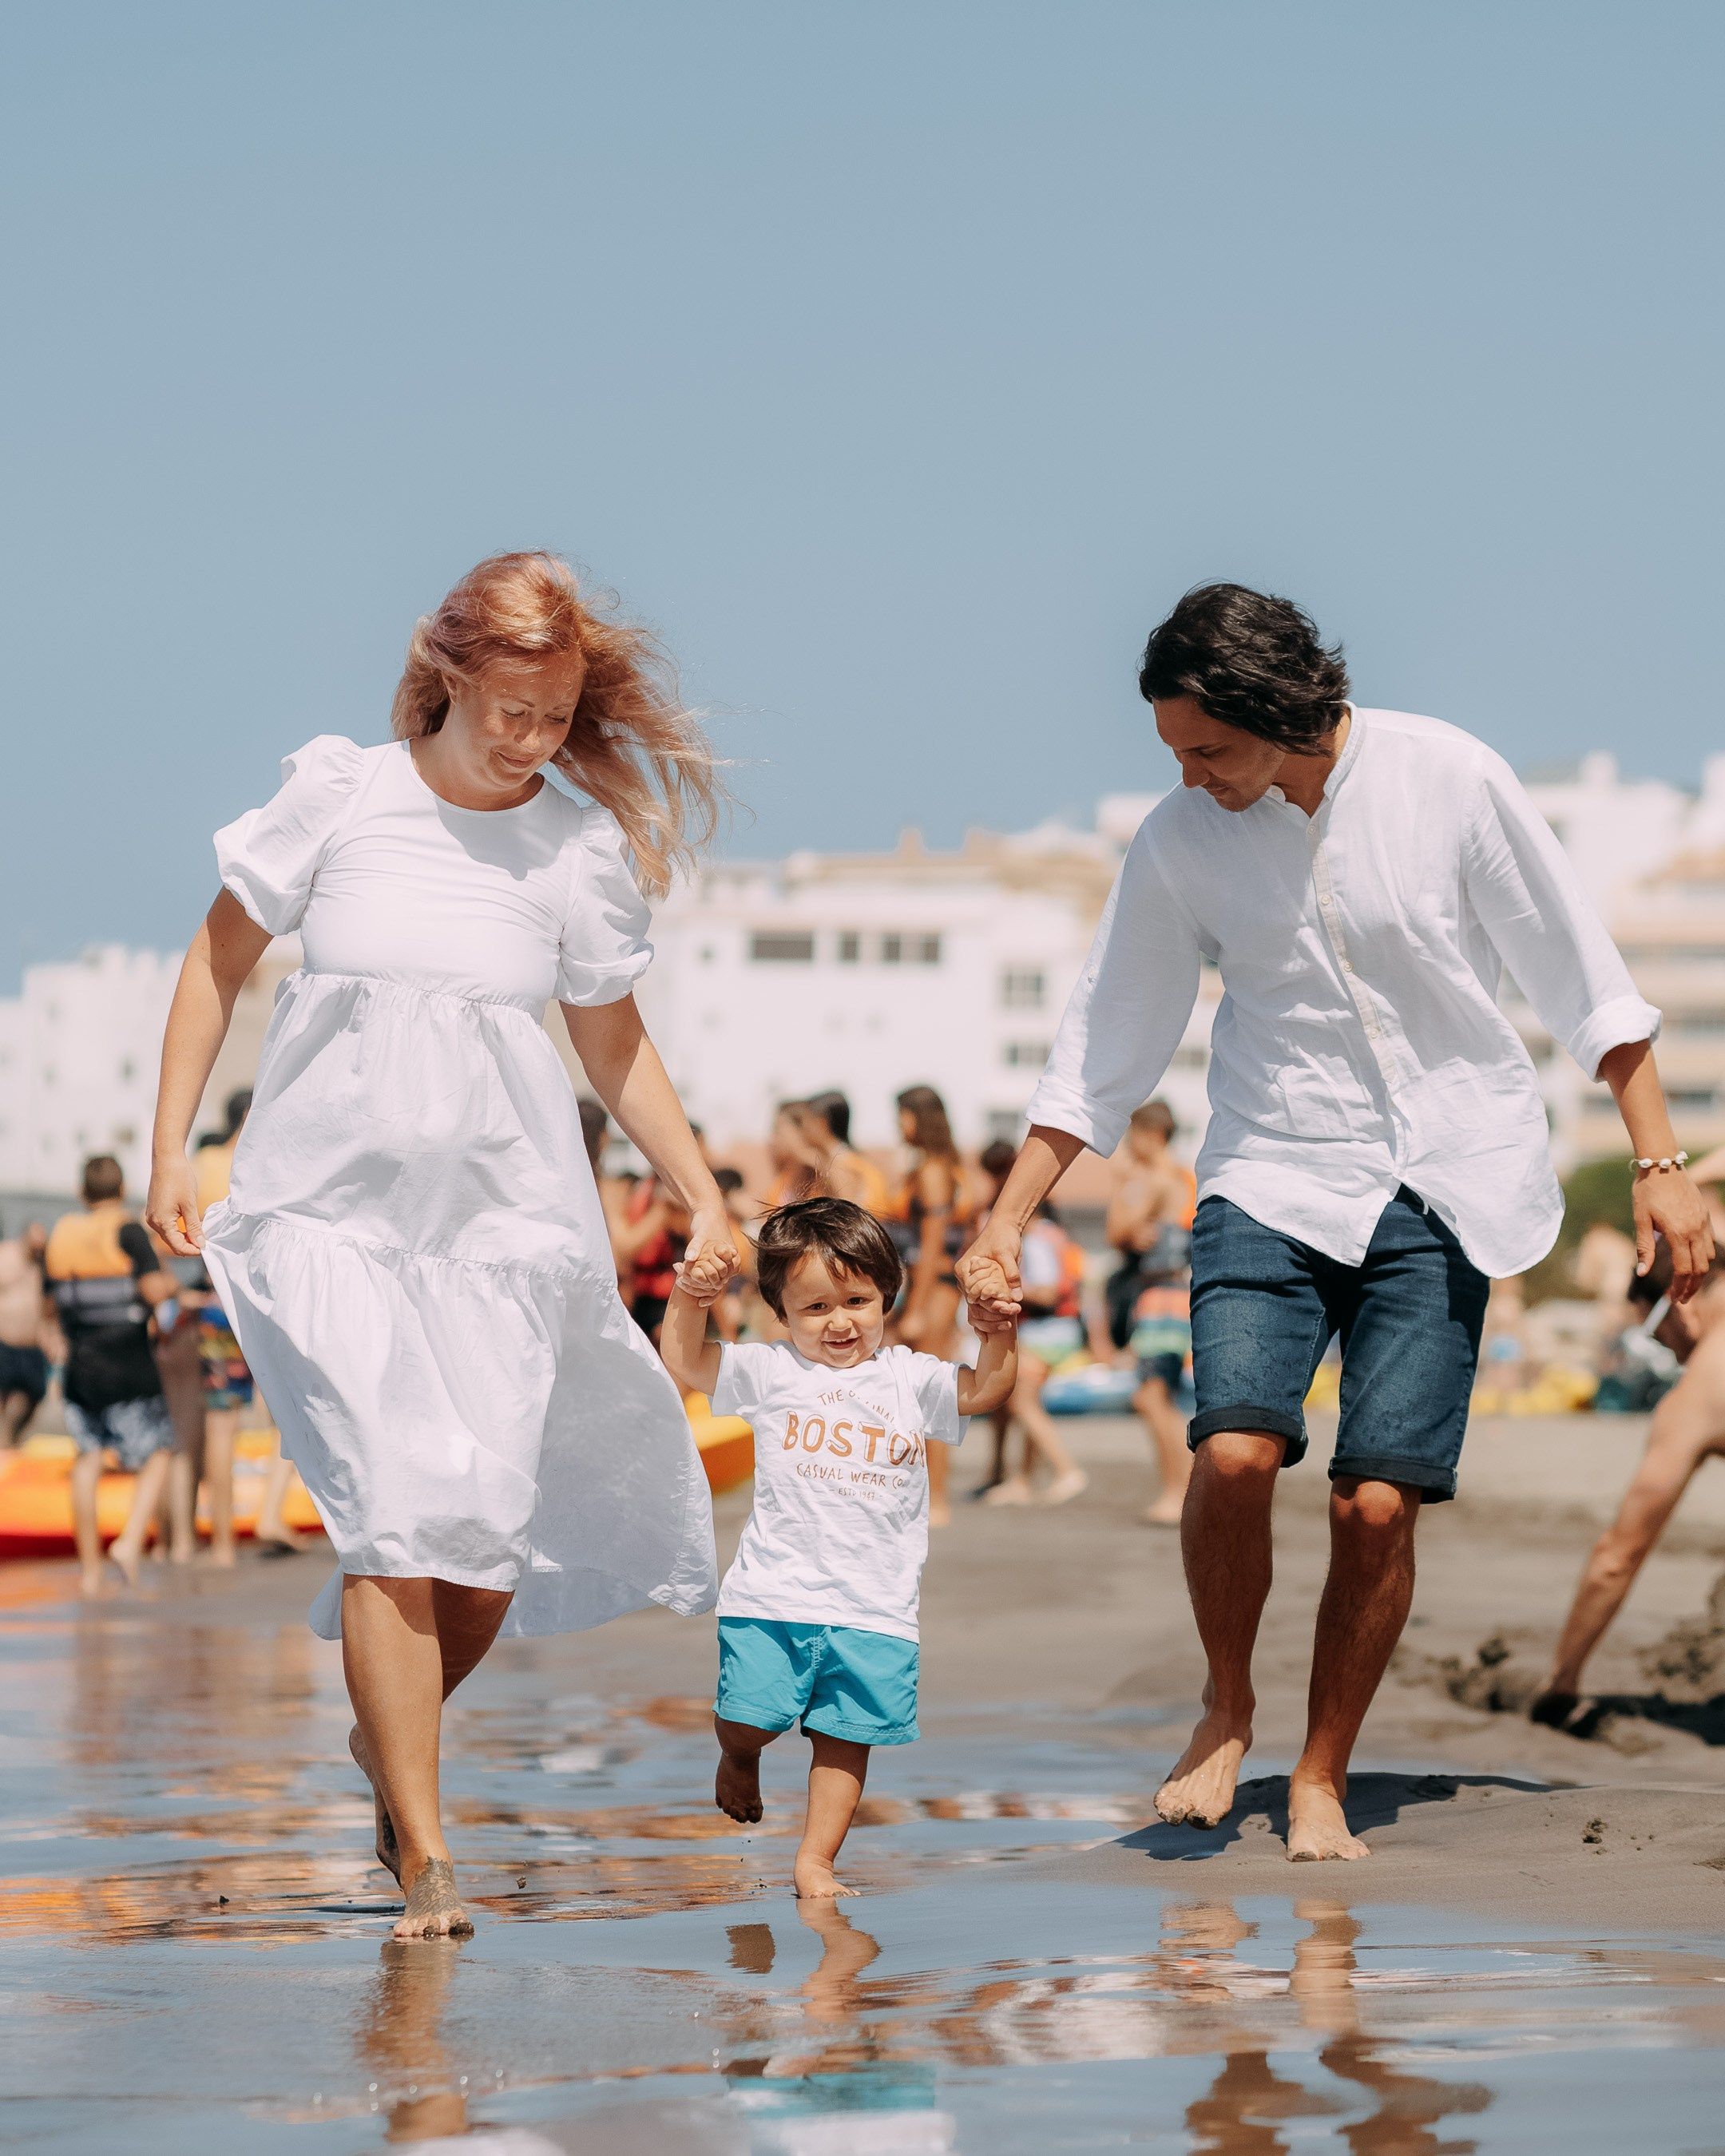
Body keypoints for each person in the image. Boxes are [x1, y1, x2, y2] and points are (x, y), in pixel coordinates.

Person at [960, 581, 1712, 1862]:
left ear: (1284, 708)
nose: (1191, 778)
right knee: (1239, 1451)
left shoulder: (1447, 778)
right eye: (1174, 755)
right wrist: (999, 1225)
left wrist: (1660, 1161)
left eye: (1210, 748)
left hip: (1448, 1178)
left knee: (1376, 1503)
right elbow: (1101, 1048)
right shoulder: (1179, 840)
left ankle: (1321, 1771)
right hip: (1271, 1168)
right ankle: (1226, 1703)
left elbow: (1584, 977)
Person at [145, 550, 736, 1940]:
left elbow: (611, 1038)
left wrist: (706, 1191)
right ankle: (425, 1850)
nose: (534, 739)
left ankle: (384, 1739)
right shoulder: (340, 794)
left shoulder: (576, 848)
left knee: (479, 1550)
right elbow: (216, 959)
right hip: (331, 1223)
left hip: (509, 1234)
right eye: (510, 710)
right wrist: (172, 1146)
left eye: (558, 712)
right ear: (448, 675)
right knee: (393, 1521)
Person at [660, 1198, 1015, 1896]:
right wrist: (692, 1293)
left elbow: (986, 1389)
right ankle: (738, 1759)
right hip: (773, 1594)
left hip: (876, 1607)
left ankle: (815, 1859)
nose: (840, 1321)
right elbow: (685, 1358)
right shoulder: (769, 1372)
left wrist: (997, 1330)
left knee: (846, 1735)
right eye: (816, 1307)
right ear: (781, 1313)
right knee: (748, 1716)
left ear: (887, 1293)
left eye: (857, 1300)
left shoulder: (911, 1380)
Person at [1532, 1246, 1725, 1725]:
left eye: (1655, 1335)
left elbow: (1617, 1560)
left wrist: (1563, 1679)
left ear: (1679, 1301)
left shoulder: (1704, 1385)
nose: (1668, 1352)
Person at [43, 1157, 179, 1593]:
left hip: (80, 1366)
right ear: (121, 1191)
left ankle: (90, 1572)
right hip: (128, 1362)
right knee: (159, 1451)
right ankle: (130, 1540)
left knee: (87, 1460)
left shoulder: (61, 1234)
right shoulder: (127, 1230)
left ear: (83, 1193)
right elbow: (153, 1290)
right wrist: (175, 1287)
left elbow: (50, 1307)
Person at [1106, 1100, 1198, 1526]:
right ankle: (1183, 1489)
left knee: (1151, 1395)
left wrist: (1126, 1185)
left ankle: (1178, 1491)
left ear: (1151, 1135)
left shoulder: (1158, 1178)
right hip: (1172, 1293)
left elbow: (1117, 1231)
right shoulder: (1185, 1177)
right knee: (1160, 1397)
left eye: (1131, 1135)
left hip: (1163, 1296)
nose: (1126, 1145)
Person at [890, 1084, 972, 1528]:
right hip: (936, 1287)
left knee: (930, 1394)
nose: (899, 1126)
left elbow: (931, 1243)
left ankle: (936, 1497)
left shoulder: (934, 1171)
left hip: (934, 1290)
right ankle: (928, 1494)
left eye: (902, 1116)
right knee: (925, 1392)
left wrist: (916, 1307)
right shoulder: (945, 1166)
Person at [0, 1221, 50, 1446]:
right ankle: (4, 1443)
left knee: (35, 1393)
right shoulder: (7, 1256)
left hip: (31, 1344)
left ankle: (12, 1437)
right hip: (5, 1340)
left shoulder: (42, 1264)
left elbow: (49, 1305)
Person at [804, 1092, 892, 1215]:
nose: (804, 1129)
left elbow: (847, 1219)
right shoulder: (847, 1160)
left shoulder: (841, 1164)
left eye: (806, 1121)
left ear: (822, 1123)